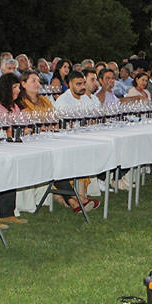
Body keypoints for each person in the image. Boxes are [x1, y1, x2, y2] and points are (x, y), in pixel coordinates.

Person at [53, 70, 100, 212]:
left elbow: (94, 118)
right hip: (65, 140)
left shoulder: (86, 99)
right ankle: (76, 198)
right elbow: (64, 125)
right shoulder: (63, 100)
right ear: (69, 84)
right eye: (78, 84)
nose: (82, 87)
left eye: (83, 83)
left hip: (84, 137)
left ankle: (80, 196)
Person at [0, 73, 27, 225]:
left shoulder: (15, 107)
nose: (18, 91)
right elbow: (3, 131)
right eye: (14, 87)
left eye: (18, 87)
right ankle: (2, 211)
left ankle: (7, 211)